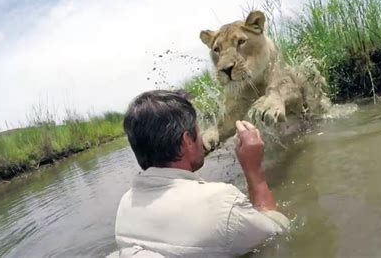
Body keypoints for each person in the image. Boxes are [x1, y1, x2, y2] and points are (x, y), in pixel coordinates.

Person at [113, 90, 289, 258]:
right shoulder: (221, 203)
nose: (201, 136)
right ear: (187, 141)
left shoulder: (126, 205)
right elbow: (278, 230)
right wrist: (253, 169)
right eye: (197, 130)